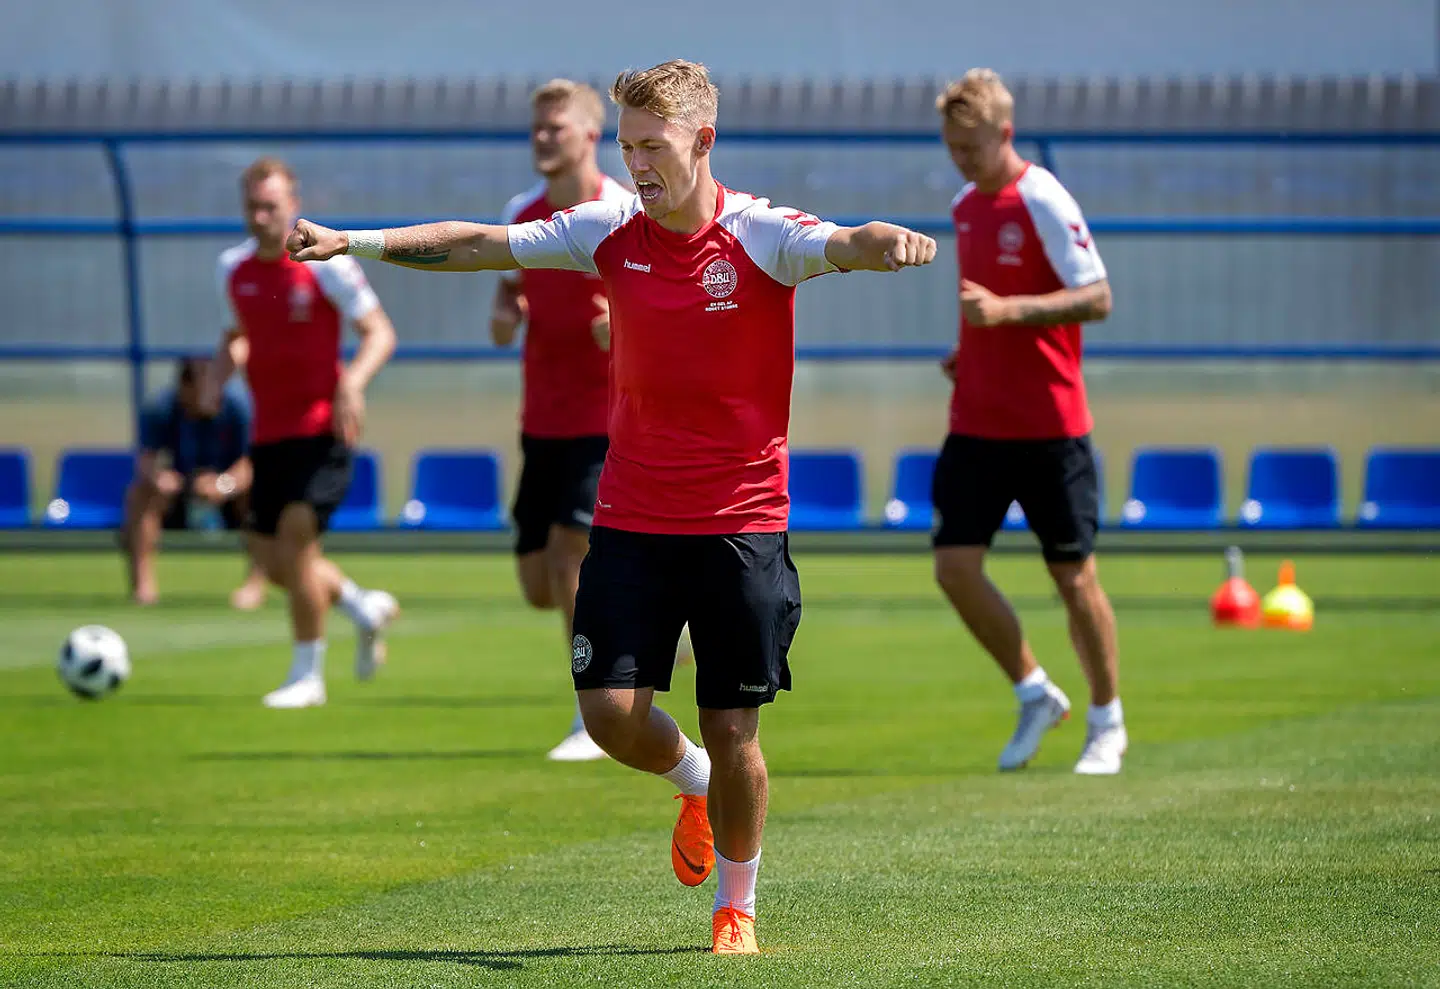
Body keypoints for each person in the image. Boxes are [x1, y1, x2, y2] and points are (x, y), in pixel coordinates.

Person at [287, 58, 935, 956]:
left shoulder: (760, 234)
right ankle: (696, 783)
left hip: (742, 522)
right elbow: (478, 242)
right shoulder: (608, 228)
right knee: (609, 715)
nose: (637, 165)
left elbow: (842, 242)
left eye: (653, 146)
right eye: (627, 146)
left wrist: (884, 242)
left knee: (735, 722)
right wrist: (350, 241)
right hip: (631, 517)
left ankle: (735, 907)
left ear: (703, 142)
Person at [932, 69, 1126, 775]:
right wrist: (970, 350)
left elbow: (1099, 297)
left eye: (972, 147)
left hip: (1051, 426)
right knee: (954, 568)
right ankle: (1033, 688)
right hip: (978, 421)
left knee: (1074, 579)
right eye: (952, 147)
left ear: (1005, 134)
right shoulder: (962, 206)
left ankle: (1107, 721)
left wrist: (1008, 315)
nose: (962, 160)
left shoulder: (1042, 195)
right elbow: (986, 306)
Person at [206, 156, 402, 710]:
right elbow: (236, 335)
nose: (261, 215)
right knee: (274, 562)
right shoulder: (234, 269)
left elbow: (379, 333)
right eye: (253, 206)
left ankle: (306, 674)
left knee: (296, 543)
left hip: (322, 430)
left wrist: (352, 383)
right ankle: (361, 606)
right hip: (269, 434)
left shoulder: (324, 263)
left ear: (293, 205)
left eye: (271, 205)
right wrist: (218, 380)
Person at [490, 79, 631, 762]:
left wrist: (624, 329)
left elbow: (668, 305)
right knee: (537, 585)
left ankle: (591, 719)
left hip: (606, 422)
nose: (544, 138)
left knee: (568, 560)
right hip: (539, 418)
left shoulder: (624, 213)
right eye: (537, 128)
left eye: (557, 127)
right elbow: (510, 283)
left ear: (590, 136)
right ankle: (647, 624)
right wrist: (505, 312)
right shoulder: (523, 211)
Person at [122, 355, 267, 609]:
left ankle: (254, 586)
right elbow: (146, 461)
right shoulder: (160, 407)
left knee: (259, 496)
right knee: (140, 495)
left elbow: (250, 464)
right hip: (179, 491)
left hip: (227, 493)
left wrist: (223, 485)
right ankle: (144, 587)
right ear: (184, 387)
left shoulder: (240, 406)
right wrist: (160, 478)